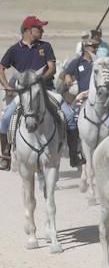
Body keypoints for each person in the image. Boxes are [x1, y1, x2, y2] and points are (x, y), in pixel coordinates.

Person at [1, 16, 63, 171]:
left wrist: (39, 80)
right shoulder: (14, 50)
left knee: (68, 116)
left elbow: (52, 68)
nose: (42, 31)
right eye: (39, 28)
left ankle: (74, 153)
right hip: (24, 94)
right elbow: (1, 68)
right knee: (5, 119)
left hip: (47, 90)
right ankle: (6, 155)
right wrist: (7, 86)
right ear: (29, 31)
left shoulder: (46, 46)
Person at [59, 37, 97, 168]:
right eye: (92, 47)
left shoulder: (98, 62)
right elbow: (63, 74)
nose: (95, 49)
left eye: (96, 47)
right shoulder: (77, 62)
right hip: (83, 97)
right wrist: (68, 76)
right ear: (86, 47)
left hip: (98, 96)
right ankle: (76, 152)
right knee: (74, 121)